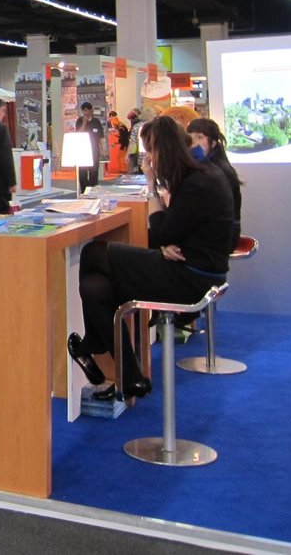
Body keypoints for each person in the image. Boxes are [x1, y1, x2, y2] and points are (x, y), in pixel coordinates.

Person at [67, 116, 235, 400]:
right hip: (197, 271)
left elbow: (162, 231)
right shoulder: (202, 175)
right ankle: (126, 374)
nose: (149, 158)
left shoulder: (197, 182)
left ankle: (101, 348)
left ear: (162, 150)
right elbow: (169, 232)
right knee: (98, 285)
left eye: (150, 151)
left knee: (93, 254)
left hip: (190, 278)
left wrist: (152, 186)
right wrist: (165, 241)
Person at [186, 117, 241, 250]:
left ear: (213, 143)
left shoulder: (218, 171)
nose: (193, 142)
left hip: (222, 237)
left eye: (199, 137)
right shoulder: (203, 166)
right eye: (190, 137)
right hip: (211, 230)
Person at [73, 102, 103, 192]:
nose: (85, 112)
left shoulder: (96, 121)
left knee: (94, 171)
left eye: (86, 110)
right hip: (83, 149)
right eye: (83, 111)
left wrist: (103, 149)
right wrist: (84, 123)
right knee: (82, 172)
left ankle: (93, 190)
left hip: (94, 149)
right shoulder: (79, 121)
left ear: (91, 110)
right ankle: (84, 191)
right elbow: (78, 133)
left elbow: (101, 137)